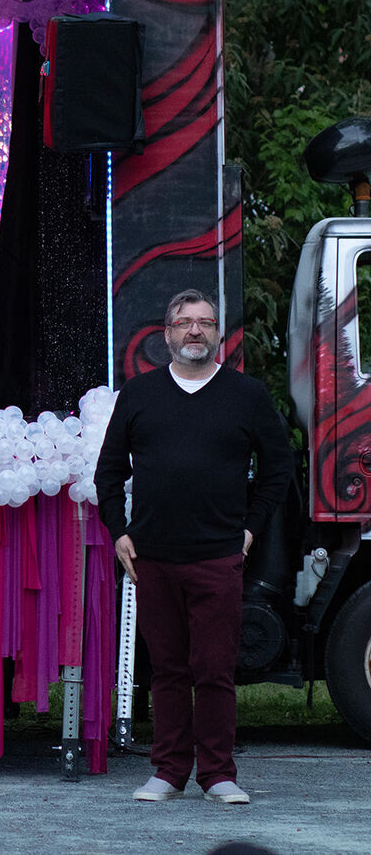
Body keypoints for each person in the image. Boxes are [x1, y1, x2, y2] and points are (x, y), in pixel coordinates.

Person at [94, 290, 292, 805]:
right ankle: (168, 772)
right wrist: (120, 532)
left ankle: (219, 775)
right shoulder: (139, 395)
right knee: (167, 671)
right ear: (168, 335)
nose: (196, 331)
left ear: (218, 334)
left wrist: (249, 530)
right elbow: (109, 473)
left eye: (205, 323)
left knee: (215, 670)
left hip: (218, 555)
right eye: (185, 323)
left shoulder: (246, 395)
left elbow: (278, 470)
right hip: (153, 558)